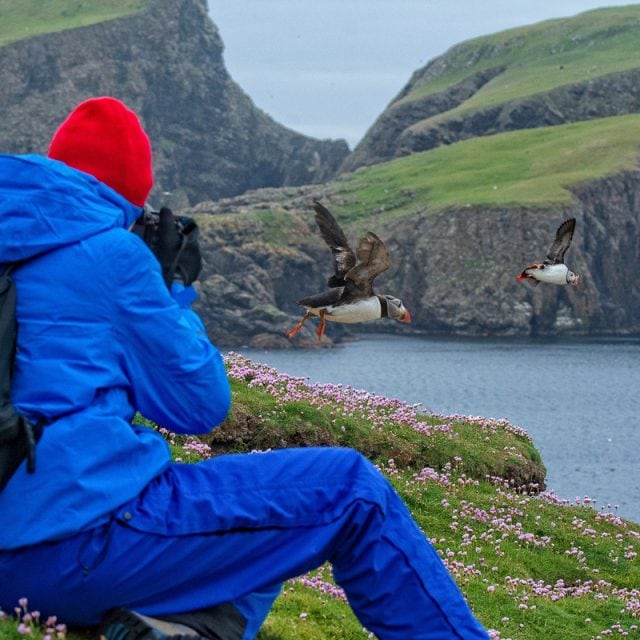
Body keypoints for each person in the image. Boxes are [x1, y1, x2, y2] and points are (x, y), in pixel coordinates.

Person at [0, 96, 490, 640]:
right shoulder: (113, 256)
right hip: (74, 546)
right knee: (349, 490)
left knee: (261, 517)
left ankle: (179, 632)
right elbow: (199, 406)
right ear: (131, 195)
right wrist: (171, 289)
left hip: (15, 549)